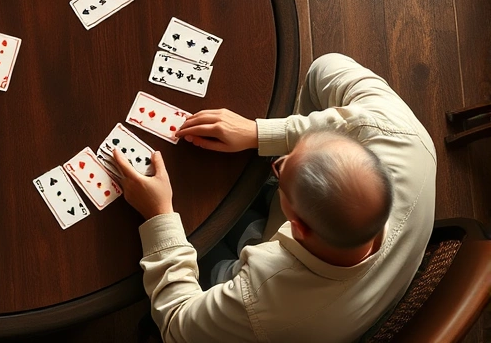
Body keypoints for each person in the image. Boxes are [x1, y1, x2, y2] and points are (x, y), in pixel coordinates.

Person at [111, 53, 436, 342]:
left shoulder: (260, 301)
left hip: (295, 313)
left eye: (281, 171)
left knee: (192, 231)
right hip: (366, 292)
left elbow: (178, 323)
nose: (276, 163)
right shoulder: (404, 137)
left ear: (297, 227)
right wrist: (258, 133)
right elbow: (327, 66)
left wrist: (159, 215)